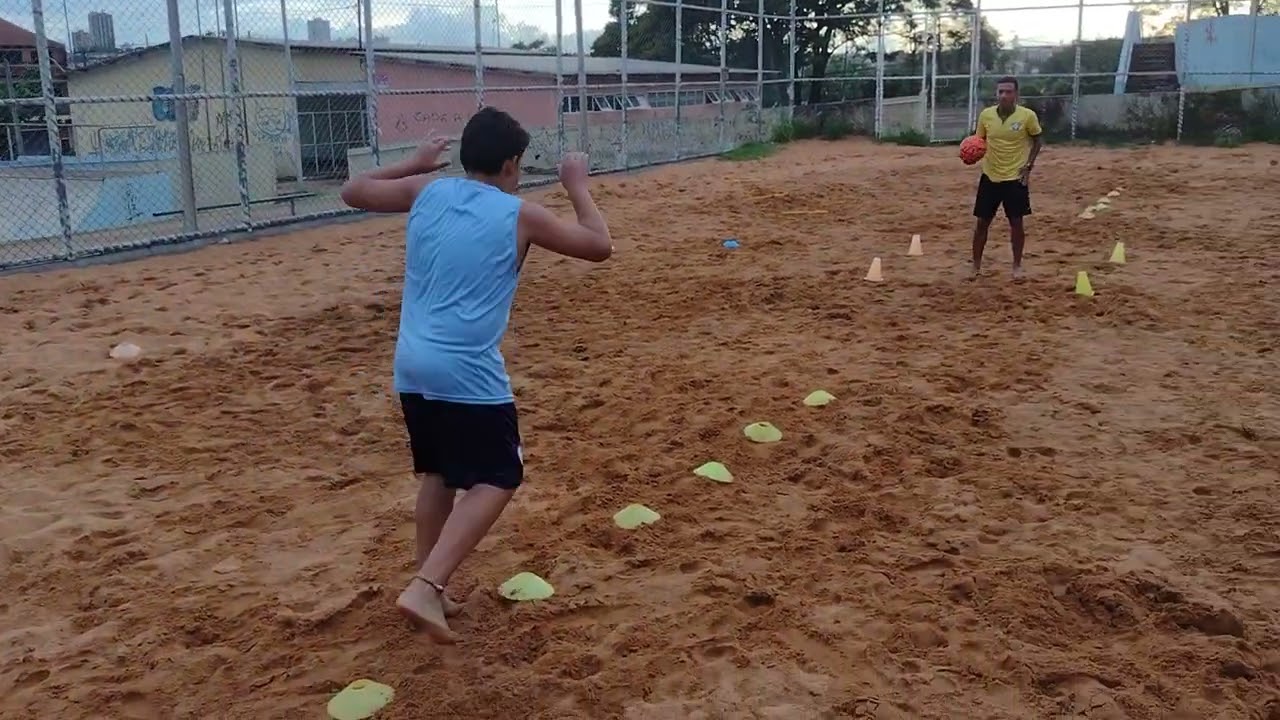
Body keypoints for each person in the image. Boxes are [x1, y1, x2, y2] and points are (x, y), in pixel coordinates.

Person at [339, 106, 614, 643]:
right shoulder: (521, 214)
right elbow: (599, 246)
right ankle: (425, 584)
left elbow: (354, 190)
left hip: (411, 364)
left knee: (440, 475)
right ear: (512, 164)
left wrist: (413, 162)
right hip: (465, 370)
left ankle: (431, 590)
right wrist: (577, 185)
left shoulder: (427, 191)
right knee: (500, 475)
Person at [970, 76, 1043, 280]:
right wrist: (970, 152)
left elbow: (1037, 141)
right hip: (990, 175)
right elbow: (979, 141)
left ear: (1016, 94)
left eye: (1008, 91)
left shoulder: (1027, 116)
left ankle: (1017, 266)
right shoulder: (986, 116)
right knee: (982, 224)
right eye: (1000, 91)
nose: (1004, 95)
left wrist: (1029, 166)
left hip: (1015, 178)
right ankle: (976, 266)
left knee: (1016, 223)